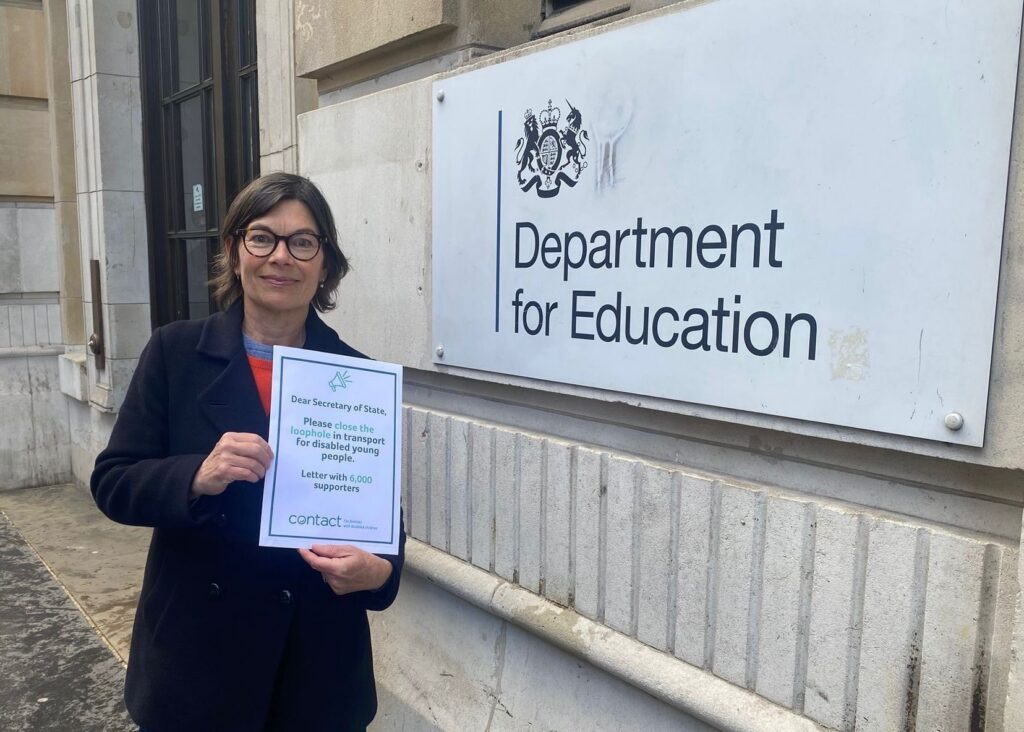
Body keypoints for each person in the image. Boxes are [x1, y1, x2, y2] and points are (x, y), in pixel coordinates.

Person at [91, 172, 405, 731]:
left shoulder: (357, 378)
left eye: (302, 242)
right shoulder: (175, 352)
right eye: (263, 238)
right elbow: (113, 481)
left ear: (325, 264)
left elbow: (383, 526)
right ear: (235, 252)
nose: (281, 257)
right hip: (198, 662)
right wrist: (195, 476)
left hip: (315, 668)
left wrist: (378, 574)